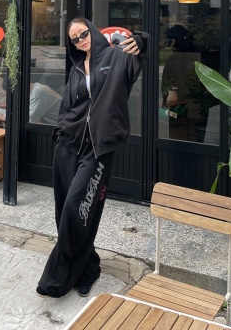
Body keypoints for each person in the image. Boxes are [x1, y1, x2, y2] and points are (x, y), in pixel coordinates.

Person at [36, 17, 150, 299]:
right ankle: (88, 270)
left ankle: (56, 279)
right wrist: (60, 132)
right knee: (63, 210)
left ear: (93, 30)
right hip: (68, 144)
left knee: (77, 209)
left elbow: (140, 55)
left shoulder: (115, 57)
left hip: (98, 148)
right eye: (74, 39)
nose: (81, 40)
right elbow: (68, 105)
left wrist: (142, 40)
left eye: (83, 33)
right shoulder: (76, 68)